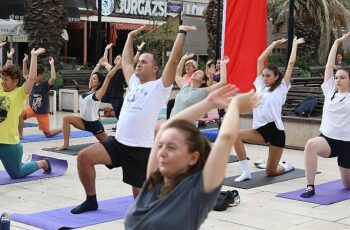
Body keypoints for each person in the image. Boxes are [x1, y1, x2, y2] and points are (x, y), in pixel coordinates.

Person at [70, 25, 197, 215]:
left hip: (140, 149)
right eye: (140, 61)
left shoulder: (160, 87)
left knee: (140, 201)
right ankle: (91, 200)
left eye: (144, 62)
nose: (139, 64)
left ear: (154, 68)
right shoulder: (135, 82)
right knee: (84, 157)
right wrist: (129, 37)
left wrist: (181, 32)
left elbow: (173, 61)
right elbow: (128, 61)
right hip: (118, 143)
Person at [124, 84, 260, 229]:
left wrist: (235, 105)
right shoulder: (154, 181)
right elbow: (166, 128)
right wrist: (208, 103)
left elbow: (226, 137)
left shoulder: (197, 191)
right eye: (160, 145)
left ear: (193, 157)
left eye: (171, 147)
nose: (161, 152)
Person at [233, 37, 305, 182]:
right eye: (264, 75)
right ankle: (246, 172)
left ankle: (287, 166)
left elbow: (291, 63)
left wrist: (295, 45)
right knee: (234, 135)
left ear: (276, 77)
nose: (264, 78)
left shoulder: (281, 88)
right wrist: (274, 44)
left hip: (276, 133)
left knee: (270, 173)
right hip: (260, 130)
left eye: (268, 76)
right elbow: (260, 60)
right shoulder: (260, 85)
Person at [300, 32, 350, 198]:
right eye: (337, 77)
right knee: (311, 145)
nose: (338, 80)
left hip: (347, 143)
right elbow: (329, 67)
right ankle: (310, 186)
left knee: (347, 185)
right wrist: (336, 43)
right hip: (328, 139)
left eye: (342, 77)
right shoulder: (330, 91)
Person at [0, 48, 51, 179]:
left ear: (16, 81)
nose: (2, 81)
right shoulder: (1, 89)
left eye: (6, 80)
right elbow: (5, 70)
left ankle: (43, 163)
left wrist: (33, 57)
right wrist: (8, 57)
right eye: (2, 79)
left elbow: (32, 78)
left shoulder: (20, 94)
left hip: (9, 144)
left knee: (16, 173)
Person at [57, 58, 118, 150]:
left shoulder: (98, 93)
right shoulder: (89, 91)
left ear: (99, 83)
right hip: (83, 122)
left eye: (94, 79)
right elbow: (92, 74)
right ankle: (66, 144)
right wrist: (98, 64)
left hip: (94, 125)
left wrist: (117, 66)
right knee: (66, 119)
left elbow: (109, 76)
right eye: (91, 78)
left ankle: (118, 144)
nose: (91, 80)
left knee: (108, 145)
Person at [18, 56, 62, 138]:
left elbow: (53, 78)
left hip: (42, 112)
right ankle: (20, 135)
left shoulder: (45, 84)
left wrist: (52, 64)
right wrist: (24, 62)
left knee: (48, 134)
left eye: (35, 75)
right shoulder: (32, 82)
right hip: (32, 108)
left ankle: (63, 128)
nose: (33, 77)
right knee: (20, 114)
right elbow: (25, 74)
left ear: (41, 75)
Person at [100, 42, 145, 121]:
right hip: (108, 94)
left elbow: (133, 61)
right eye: (116, 58)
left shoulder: (123, 70)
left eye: (118, 58)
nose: (116, 59)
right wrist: (106, 49)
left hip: (117, 95)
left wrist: (139, 50)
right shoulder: (112, 69)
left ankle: (121, 124)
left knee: (119, 113)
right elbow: (104, 61)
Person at [169, 53, 224, 117]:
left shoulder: (201, 92)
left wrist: (223, 64)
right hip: (172, 123)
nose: (195, 73)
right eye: (196, 72)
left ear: (203, 81)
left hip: (185, 125)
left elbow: (222, 82)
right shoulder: (185, 86)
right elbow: (177, 74)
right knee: (170, 103)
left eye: (199, 73)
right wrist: (183, 59)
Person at [166, 53, 198, 119]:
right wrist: (183, 59)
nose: (187, 67)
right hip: (183, 99)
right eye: (186, 66)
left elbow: (177, 74)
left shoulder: (195, 76)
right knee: (170, 103)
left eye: (189, 66)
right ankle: (168, 121)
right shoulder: (185, 76)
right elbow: (178, 73)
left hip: (190, 100)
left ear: (194, 68)